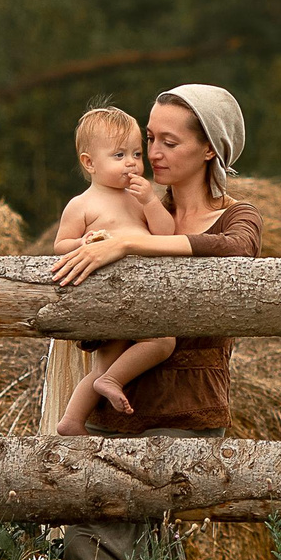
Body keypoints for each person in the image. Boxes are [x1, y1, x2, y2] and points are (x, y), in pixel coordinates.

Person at [47, 85, 260, 560]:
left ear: (210, 151)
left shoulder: (233, 217)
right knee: (98, 542)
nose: (153, 152)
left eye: (170, 141)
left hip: (187, 414)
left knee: (131, 539)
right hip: (120, 412)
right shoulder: (129, 208)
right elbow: (86, 320)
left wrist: (127, 247)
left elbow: (235, 255)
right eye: (150, 137)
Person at [46, 105, 178, 436]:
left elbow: (167, 233)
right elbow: (60, 245)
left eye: (136, 153)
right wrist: (83, 242)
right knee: (161, 342)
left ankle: (72, 421)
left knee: (149, 346)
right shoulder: (82, 205)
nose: (132, 163)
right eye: (119, 155)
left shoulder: (138, 198)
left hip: (141, 293)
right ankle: (103, 388)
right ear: (89, 163)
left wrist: (150, 202)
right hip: (105, 297)